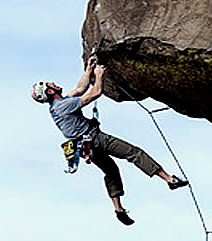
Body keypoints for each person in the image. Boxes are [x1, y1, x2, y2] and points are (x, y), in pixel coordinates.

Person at [31, 55, 188, 226]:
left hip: (86, 148)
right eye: (49, 85)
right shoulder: (63, 106)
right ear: (50, 92)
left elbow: (80, 88)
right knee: (134, 153)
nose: (53, 83)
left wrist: (90, 68)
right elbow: (95, 93)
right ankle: (169, 180)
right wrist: (99, 75)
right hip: (96, 139)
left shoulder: (59, 104)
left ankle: (119, 209)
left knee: (111, 171)